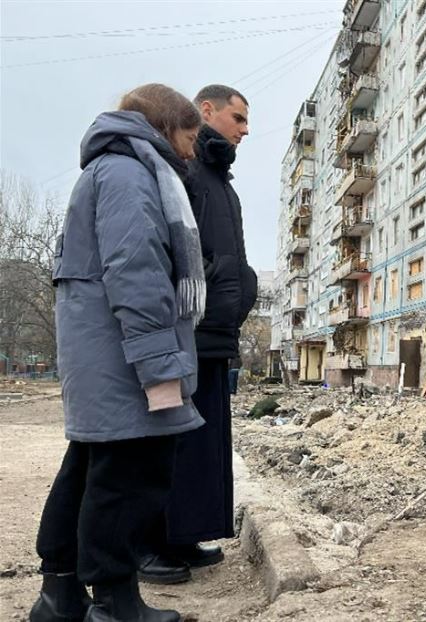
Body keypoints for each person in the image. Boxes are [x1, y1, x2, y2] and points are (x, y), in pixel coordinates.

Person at [29, 83, 205, 622]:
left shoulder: (106, 169)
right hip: (126, 360)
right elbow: (138, 276)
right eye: (190, 136)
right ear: (165, 126)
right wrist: (160, 369)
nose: (192, 151)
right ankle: (115, 604)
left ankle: (59, 597)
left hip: (103, 357)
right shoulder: (131, 173)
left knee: (88, 470)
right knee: (131, 478)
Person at [140, 85, 257, 584]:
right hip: (188, 328)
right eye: (238, 117)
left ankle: (183, 534)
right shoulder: (184, 168)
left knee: (203, 442)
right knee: (172, 441)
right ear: (206, 111)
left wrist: (243, 288)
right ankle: (150, 544)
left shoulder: (220, 180)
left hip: (215, 332)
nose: (245, 129)